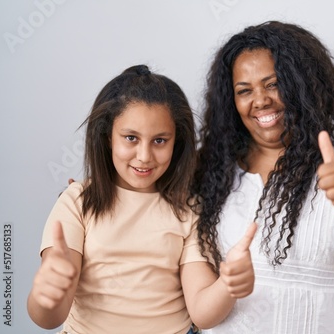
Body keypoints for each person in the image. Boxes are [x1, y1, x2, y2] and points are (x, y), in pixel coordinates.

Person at [190, 21, 334, 333]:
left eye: (273, 84)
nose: (261, 100)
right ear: (231, 101)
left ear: (301, 84)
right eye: (244, 90)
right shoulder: (213, 169)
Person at [27, 65, 257, 334]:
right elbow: (48, 318)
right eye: (131, 138)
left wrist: (227, 285)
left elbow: (202, 313)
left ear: (177, 142)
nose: (145, 156)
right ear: (108, 138)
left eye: (159, 140)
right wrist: (47, 294)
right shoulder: (77, 202)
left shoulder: (188, 210)